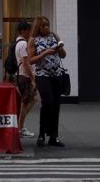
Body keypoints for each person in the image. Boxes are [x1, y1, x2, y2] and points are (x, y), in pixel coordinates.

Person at [29, 15, 66, 148]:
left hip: (56, 74)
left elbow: (63, 55)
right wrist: (45, 53)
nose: (46, 28)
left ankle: (53, 136)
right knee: (48, 103)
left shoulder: (54, 36)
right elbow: (30, 60)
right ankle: (41, 134)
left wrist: (59, 48)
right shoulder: (34, 40)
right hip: (42, 75)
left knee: (56, 105)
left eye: (47, 25)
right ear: (38, 27)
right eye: (43, 25)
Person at [13, 21, 37, 138]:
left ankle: (19, 125)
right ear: (23, 31)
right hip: (24, 76)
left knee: (31, 100)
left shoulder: (18, 43)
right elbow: (25, 63)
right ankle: (20, 127)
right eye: (28, 30)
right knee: (26, 102)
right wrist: (32, 78)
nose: (30, 32)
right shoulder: (22, 44)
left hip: (21, 76)